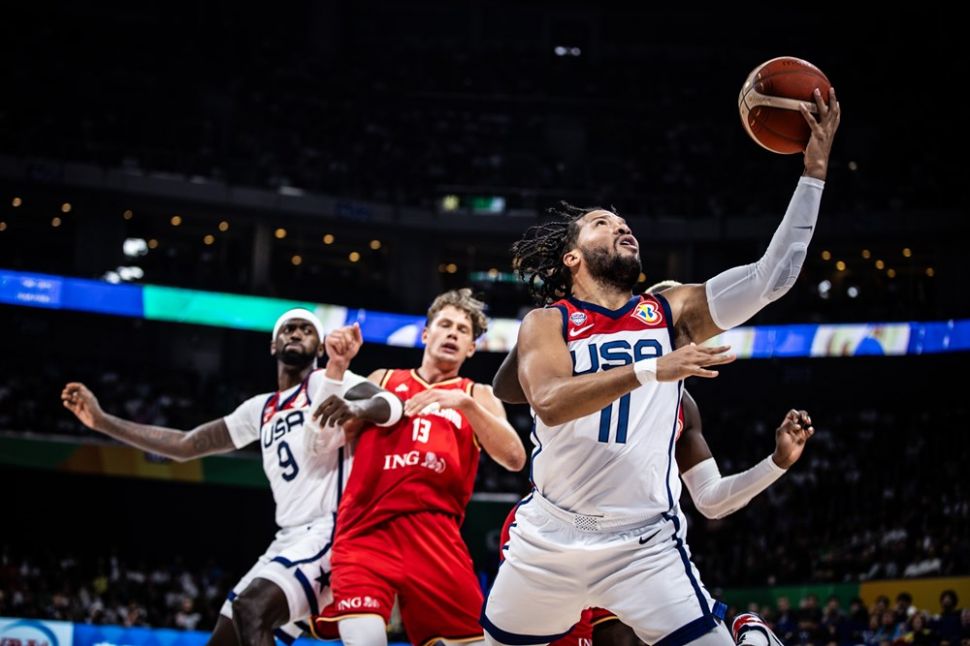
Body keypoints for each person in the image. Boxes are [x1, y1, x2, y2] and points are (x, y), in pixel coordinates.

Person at [481, 88, 840, 646]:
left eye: (625, 222)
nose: (622, 226)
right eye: (602, 223)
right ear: (572, 256)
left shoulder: (668, 312)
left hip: (643, 545)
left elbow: (773, 277)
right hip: (549, 539)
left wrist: (813, 174)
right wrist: (652, 368)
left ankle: (744, 631)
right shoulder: (549, 322)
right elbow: (547, 402)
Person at [493, 280, 815, 646]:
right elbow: (506, 388)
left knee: (619, 640)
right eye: (684, 324)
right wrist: (550, 316)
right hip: (557, 537)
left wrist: (777, 463)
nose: (692, 334)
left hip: (630, 544)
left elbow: (711, 500)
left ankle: (751, 634)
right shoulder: (586, 361)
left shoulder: (684, 407)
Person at [61, 309, 403, 646]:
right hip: (288, 539)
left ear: (320, 347)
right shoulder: (260, 409)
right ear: (273, 346)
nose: (296, 333)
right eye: (288, 329)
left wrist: (356, 408)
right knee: (226, 637)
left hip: (330, 530)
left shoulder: (327, 382)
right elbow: (185, 444)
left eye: (306, 329)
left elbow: (387, 402)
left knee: (250, 609)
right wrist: (102, 421)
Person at [310, 289, 527, 646]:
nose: (453, 333)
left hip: (436, 539)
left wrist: (465, 405)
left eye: (462, 330)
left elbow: (515, 458)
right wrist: (336, 368)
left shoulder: (476, 395)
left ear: (471, 349)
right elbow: (324, 441)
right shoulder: (382, 380)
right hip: (367, 531)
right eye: (445, 325)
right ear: (426, 334)